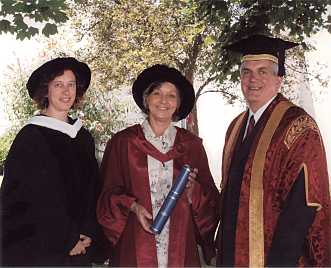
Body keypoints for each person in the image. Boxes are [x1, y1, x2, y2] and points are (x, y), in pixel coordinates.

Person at [215, 34, 331, 267]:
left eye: (262, 71)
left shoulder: (298, 126)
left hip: (277, 258)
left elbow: (303, 206)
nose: (253, 79)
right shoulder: (236, 126)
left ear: (279, 79)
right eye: (246, 72)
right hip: (231, 255)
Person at [97, 64, 220, 267]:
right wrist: (133, 206)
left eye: (172, 95)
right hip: (135, 240)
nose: (164, 101)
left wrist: (193, 192)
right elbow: (106, 195)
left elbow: (212, 200)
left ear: (178, 104)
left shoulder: (191, 146)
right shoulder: (123, 143)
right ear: (146, 100)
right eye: (157, 93)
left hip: (180, 244)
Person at [0, 57, 106, 266]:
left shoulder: (83, 137)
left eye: (71, 84)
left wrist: (88, 232)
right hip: (41, 250)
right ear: (45, 91)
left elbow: (93, 191)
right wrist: (66, 239)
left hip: (79, 248)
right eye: (58, 85)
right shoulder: (31, 138)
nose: (66, 92)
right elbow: (26, 199)